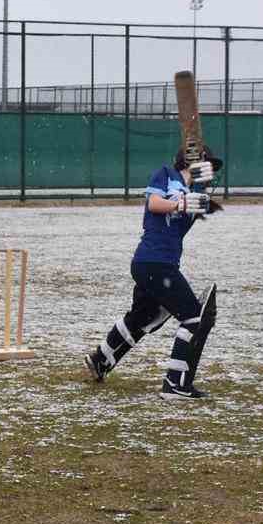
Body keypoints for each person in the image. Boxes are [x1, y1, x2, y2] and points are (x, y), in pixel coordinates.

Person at [82, 147, 223, 397]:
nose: (210, 172)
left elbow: (205, 207)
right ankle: (176, 385)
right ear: (190, 163)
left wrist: (202, 199)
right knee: (193, 317)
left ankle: (100, 360)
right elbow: (154, 203)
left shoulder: (195, 193)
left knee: (143, 317)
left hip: (158, 264)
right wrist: (180, 202)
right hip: (153, 262)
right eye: (207, 165)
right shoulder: (166, 174)